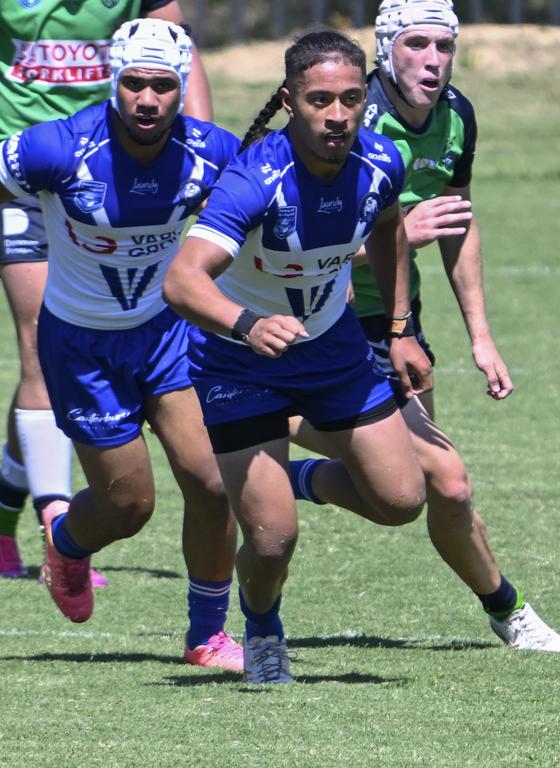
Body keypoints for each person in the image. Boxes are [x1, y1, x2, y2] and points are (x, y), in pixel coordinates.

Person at [289, 0, 560, 653]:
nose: (434, 60)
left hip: (394, 325)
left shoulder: (457, 118)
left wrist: (480, 335)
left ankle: (286, 464)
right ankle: (510, 612)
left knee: (408, 491)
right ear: (386, 47)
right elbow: (292, 245)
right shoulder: (347, 119)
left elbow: (456, 222)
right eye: (417, 43)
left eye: (445, 45)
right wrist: (396, 238)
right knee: (447, 477)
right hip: (310, 319)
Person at [163, 29, 433, 684]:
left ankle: (295, 479)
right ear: (290, 102)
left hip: (333, 350)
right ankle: (261, 626)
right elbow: (182, 281)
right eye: (319, 101)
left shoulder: (379, 162)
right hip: (240, 362)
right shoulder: (254, 180)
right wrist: (246, 324)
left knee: (402, 499)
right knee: (272, 540)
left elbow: (390, 227)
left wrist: (398, 329)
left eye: (349, 100)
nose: (337, 116)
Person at [0, 18, 243, 671]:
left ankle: (206, 637)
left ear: (181, 86)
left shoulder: (209, 150)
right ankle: (68, 543)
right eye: (133, 82)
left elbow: (278, 195)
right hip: (81, 349)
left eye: (163, 85)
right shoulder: (57, 147)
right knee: (130, 506)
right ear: (115, 81)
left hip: (166, 333)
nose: (146, 99)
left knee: (214, 482)